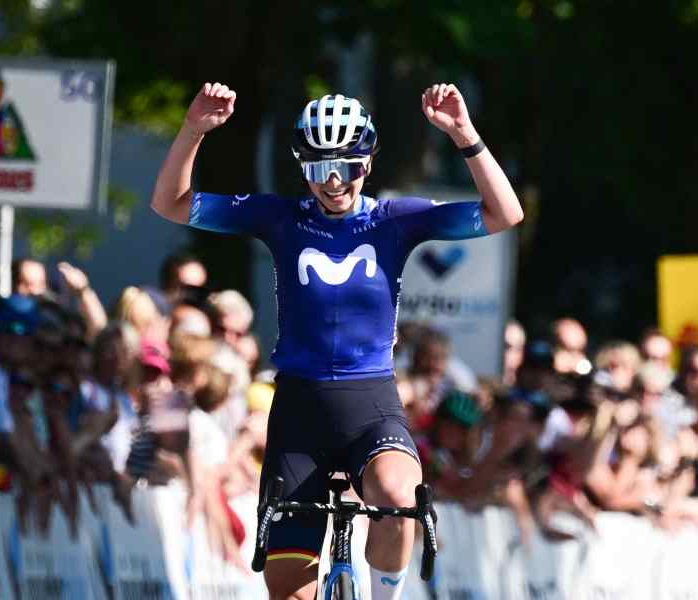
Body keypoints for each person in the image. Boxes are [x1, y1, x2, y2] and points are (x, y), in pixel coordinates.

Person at [152, 81, 523, 600]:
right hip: (299, 412)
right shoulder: (280, 217)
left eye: (345, 165)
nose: (332, 181)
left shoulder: (395, 219)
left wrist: (464, 134)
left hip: (369, 404)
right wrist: (193, 130)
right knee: (288, 591)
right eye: (316, 168)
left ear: (367, 162)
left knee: (398, 498)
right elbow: (170, 204)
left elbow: (506, 213)